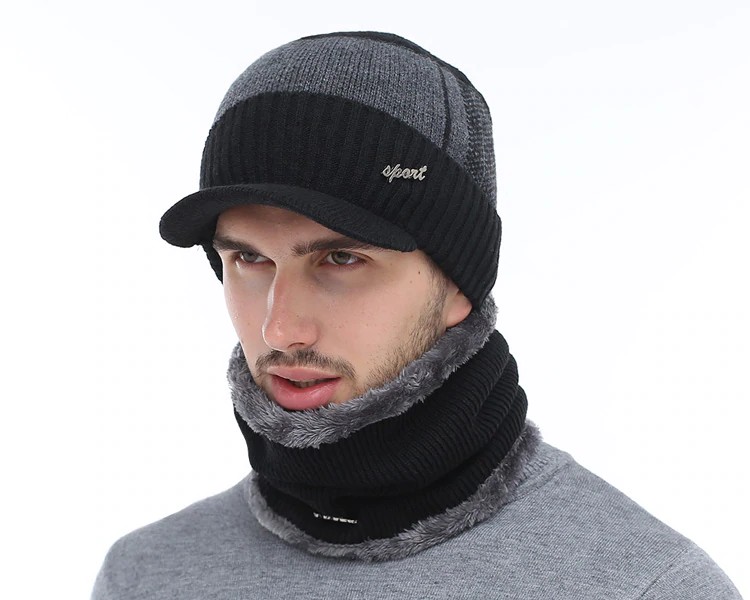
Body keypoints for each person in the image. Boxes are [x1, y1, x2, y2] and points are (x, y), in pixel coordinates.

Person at [92, 31, 741, 599]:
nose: (280, 328)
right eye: (250, 259)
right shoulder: (148, 577)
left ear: (457, 280)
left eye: (341, 259)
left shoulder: (642, 585)